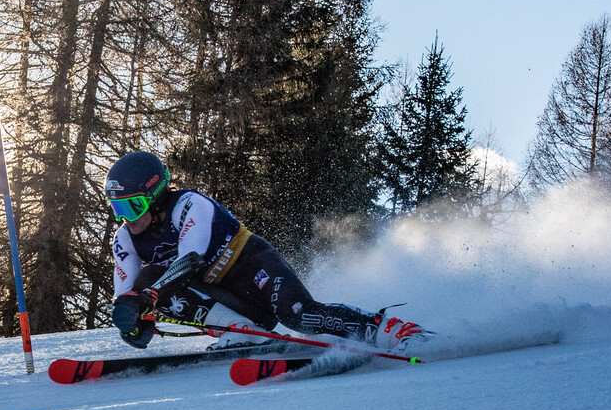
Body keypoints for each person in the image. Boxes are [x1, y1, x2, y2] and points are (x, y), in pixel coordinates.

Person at [106, 150, 429, 353]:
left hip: (252, 266)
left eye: (132, 206)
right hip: (226, 300)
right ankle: (245, 333)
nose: (126, 218)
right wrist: (132, 322)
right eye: (117, 208)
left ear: (157, 195)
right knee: (147, 280)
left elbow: (190, 260)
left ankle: (392, 330)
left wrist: (147, 298)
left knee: (299, 315)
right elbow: (128, 298)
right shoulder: (125, 239)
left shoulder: (190, 205)